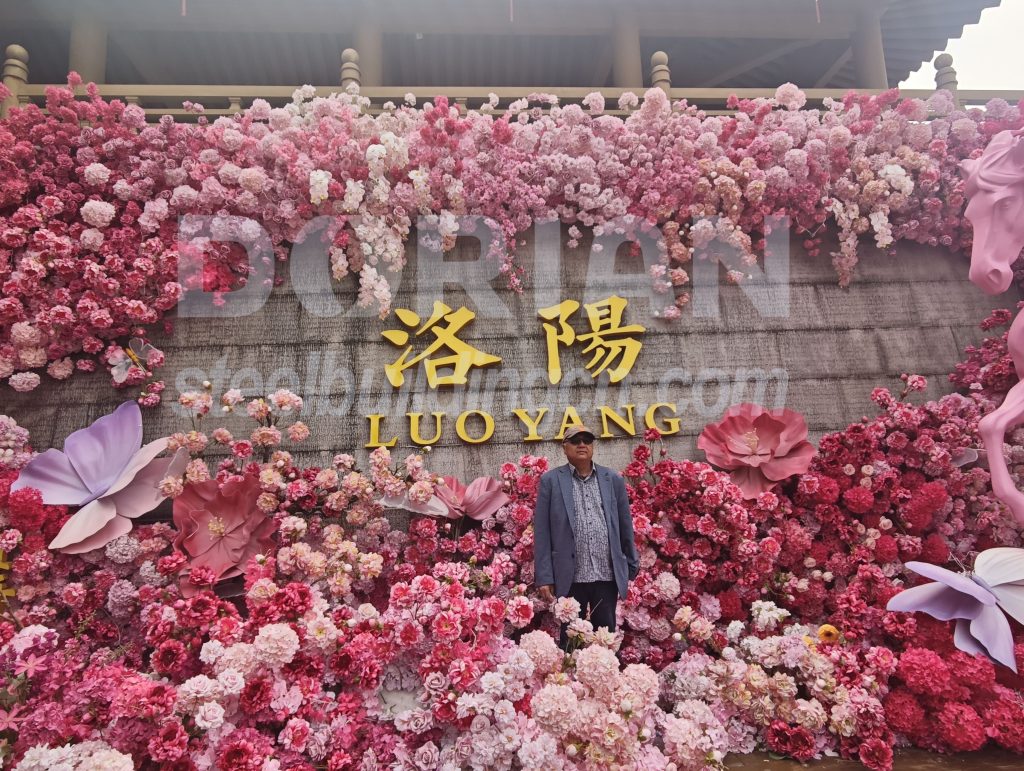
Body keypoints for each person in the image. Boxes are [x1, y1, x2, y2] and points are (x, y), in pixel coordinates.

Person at [533, 424, 640, 647]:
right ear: (565, 447)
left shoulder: (612, 479)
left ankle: (605, 669)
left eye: (587, 440)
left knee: (605, 638)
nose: (582, 445)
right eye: (575, 440)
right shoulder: (551, 481)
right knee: (571, 640)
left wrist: (631, 563)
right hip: (570, 576)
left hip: (606, 573)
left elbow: (624, 524)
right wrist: (544, 576)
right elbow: (542, 532)